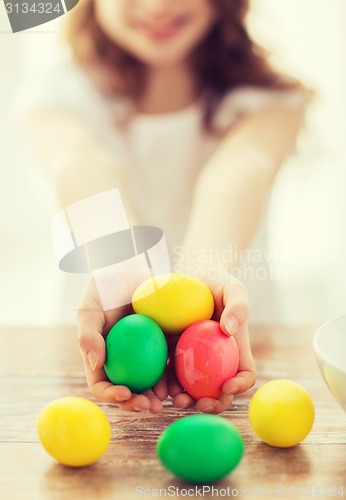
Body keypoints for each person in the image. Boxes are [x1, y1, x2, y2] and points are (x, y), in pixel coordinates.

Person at [19, 0, 307, 414]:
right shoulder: (58, 93)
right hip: (97, 342)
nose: (156, 5)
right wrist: (119, 266)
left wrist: (203, 279)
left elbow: (240, 170)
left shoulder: (269, 98)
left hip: (235, 343)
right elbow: (80, 164)